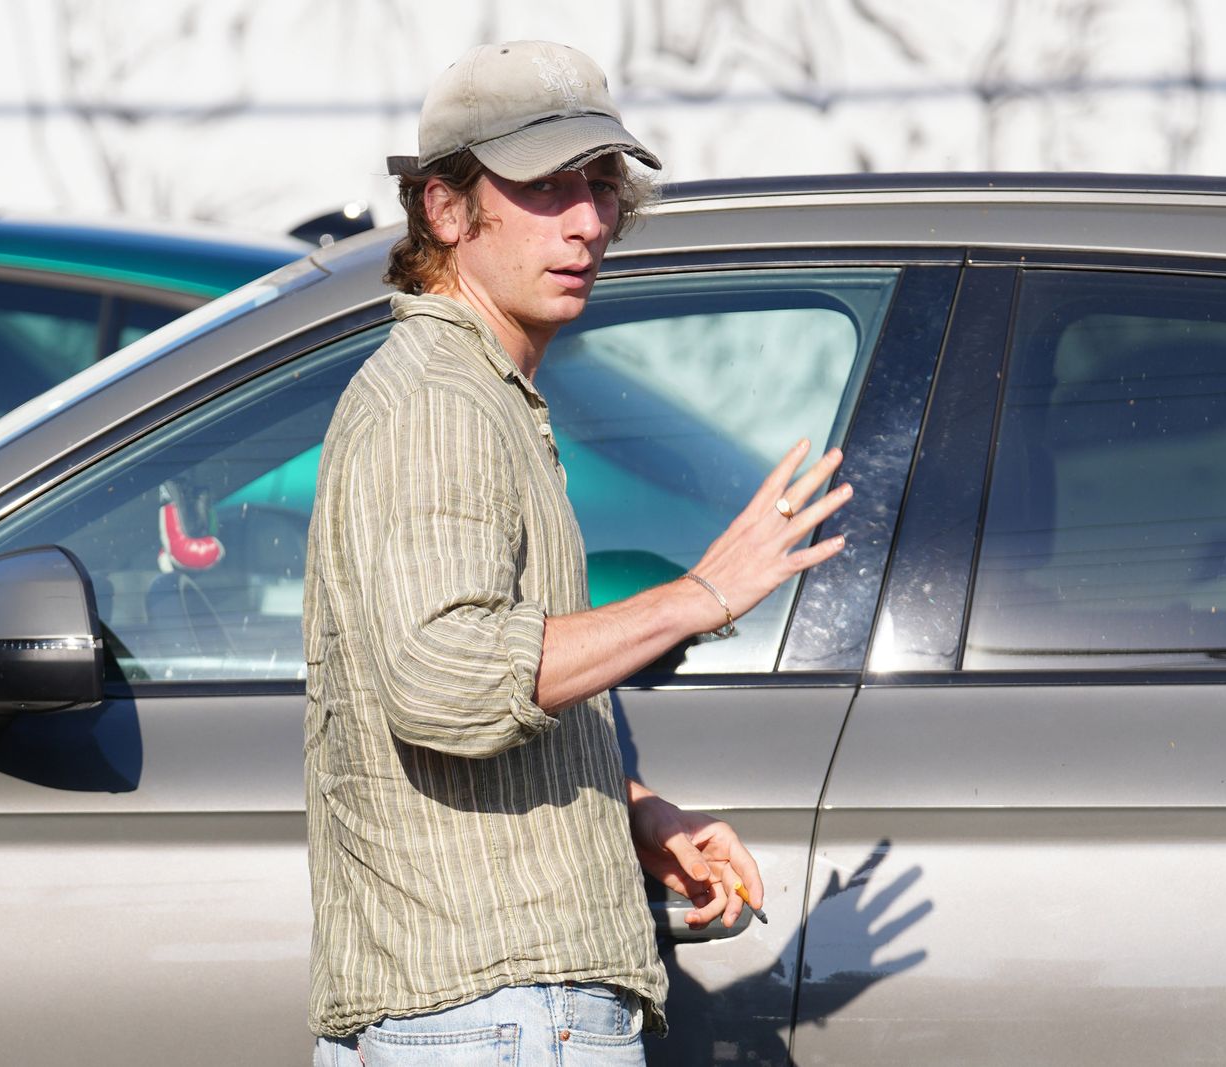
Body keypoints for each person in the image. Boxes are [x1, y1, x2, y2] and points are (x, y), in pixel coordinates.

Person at [303, 39, 851, 1066]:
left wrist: (631, 813)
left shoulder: (484, 393)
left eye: (600, 185)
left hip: (495, 1010)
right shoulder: (438, 404)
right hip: (495, 1014)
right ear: (446, 208)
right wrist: (695, 595)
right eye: (546, 186)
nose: (590, 220)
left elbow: (480, 673)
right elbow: (444, 677)